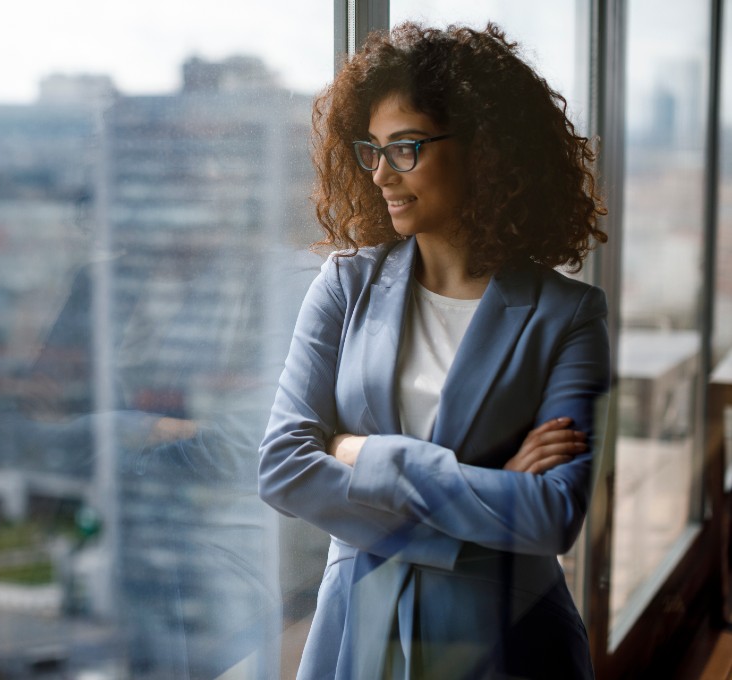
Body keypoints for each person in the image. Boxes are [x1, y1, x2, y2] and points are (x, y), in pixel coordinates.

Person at [258, 22, 610, 679]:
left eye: (407, 148)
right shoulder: (345, 286)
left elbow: (552, 515)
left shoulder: (569, 315)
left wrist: (359, 450)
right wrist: (491, 486)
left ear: (485, 148)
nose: (382, 172)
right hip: (356, 630)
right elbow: (283, 469)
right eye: (372, 150)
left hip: (510, 640)